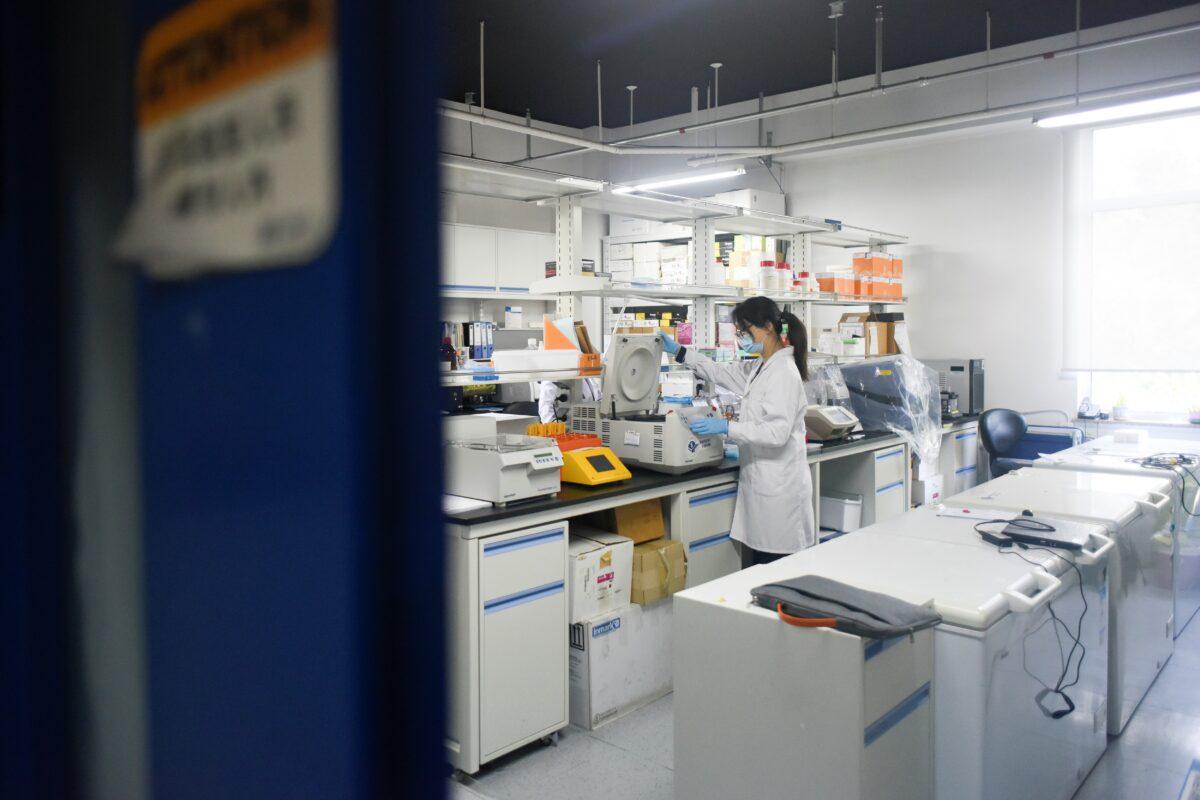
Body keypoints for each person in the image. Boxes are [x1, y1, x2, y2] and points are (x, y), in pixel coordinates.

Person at [659, 297, 815, 564]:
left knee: (777, 568)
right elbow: (721, 372)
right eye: (739, 332)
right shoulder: (761, 366)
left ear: (768, 327)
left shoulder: (783, 373)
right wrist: (680, 352)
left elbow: (776, 433)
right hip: (763, 484)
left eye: (745, 331)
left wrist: (727, 427)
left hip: (780, 491)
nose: (741, 338)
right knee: (762, 565)